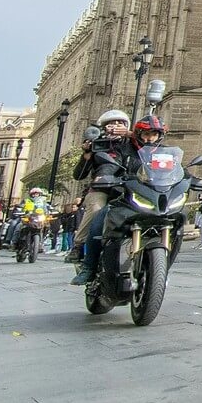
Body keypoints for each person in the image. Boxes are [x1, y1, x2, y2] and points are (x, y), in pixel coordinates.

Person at [71, 116, 167, 284]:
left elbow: (173, 168)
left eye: (154, 134)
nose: (150, 138)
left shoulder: (160, 151)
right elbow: (110, 165)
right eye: (146, 134)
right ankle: (87, 264)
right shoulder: (120, 148)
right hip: (112, 191)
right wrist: (94, 164)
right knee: (99, 214)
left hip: (146, 194)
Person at [66, 109, 131, 265]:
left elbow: (150, 143)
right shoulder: (98, 145)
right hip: (101, 188)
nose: (115, 126)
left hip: (129, 187)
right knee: (96, 209)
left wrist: (129, 134)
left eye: (119, 123)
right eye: (111, 124)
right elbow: (79, 175)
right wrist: (86, 155)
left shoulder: (132, 144)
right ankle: (78, 245)